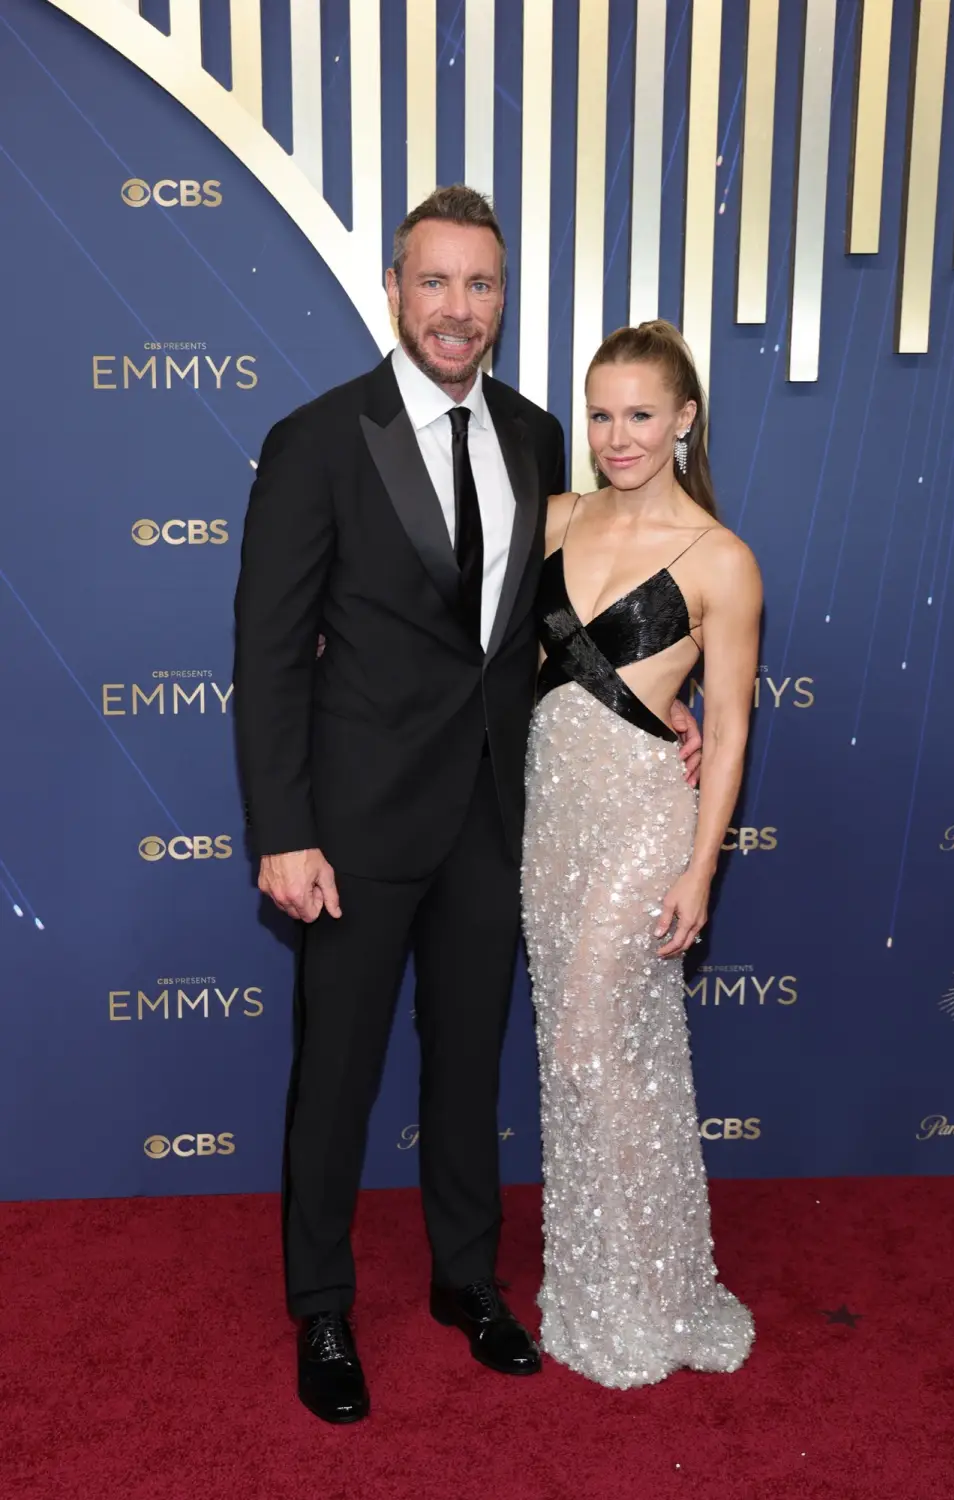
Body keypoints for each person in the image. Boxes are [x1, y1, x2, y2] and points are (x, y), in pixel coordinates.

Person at [233, 187, 703, 1424]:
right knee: (334, 1073)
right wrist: (283, 827)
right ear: (395, 290)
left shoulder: (545, 438)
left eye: (480, 286)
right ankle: (323, 1306)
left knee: (468, 1068)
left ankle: (464, 1280)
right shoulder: (318, 439)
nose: (458, 309)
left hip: (501, 816)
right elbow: (271, 652)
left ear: (503, 302)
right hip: (351, 824)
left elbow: (544, 626)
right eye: (434, 282)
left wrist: (653, 708)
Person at [522, 319, 761, 1389]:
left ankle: (652, 1287)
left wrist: (699, 867)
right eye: (602, 413)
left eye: (640, 415)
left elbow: (733, 725)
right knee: (598, 1066)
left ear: (683, 419)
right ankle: (605, 1284)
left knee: (587, 1046)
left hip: (638, 831)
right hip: (547, 827)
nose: (618, 436)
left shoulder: (721, 560)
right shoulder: (555, 519)